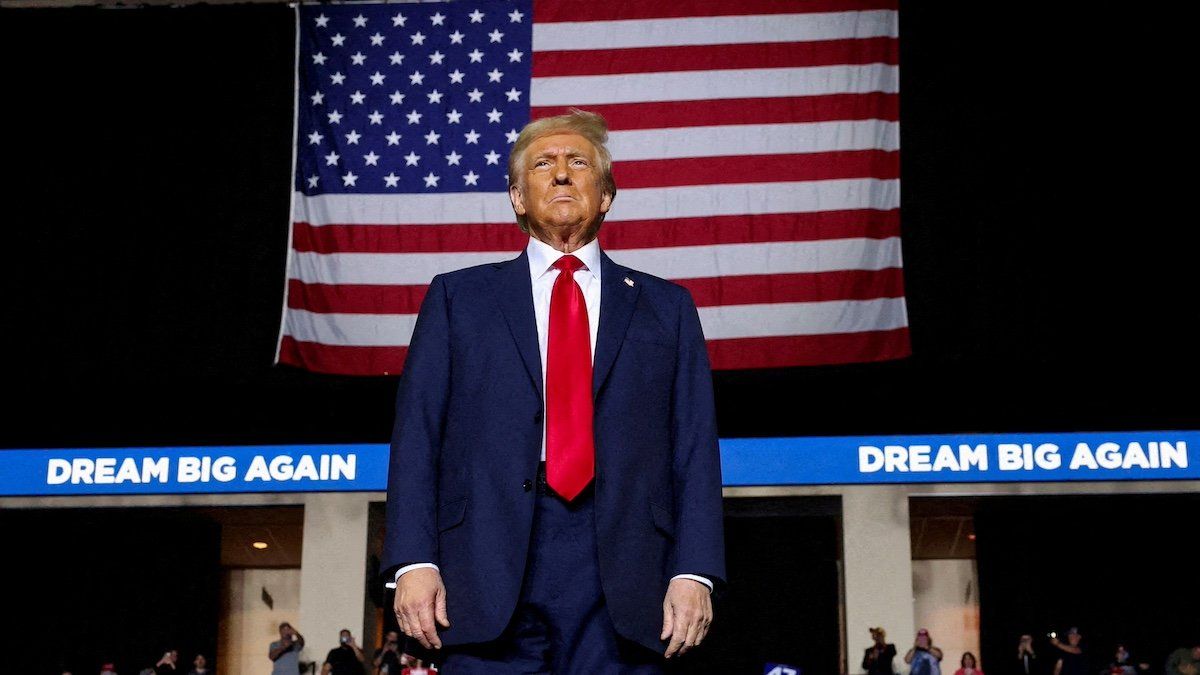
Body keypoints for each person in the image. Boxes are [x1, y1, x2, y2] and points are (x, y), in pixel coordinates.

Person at [384, 108, 726, 673]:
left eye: (579, 163)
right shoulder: (456, 298)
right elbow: (418, 435)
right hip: (483, 560)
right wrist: (413, 560)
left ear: (607, 195)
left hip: (624, 565)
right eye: (544, 164)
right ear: (518, 198)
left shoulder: (667, 308)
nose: (562, 174)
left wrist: (694, 571)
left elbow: (694, 447)